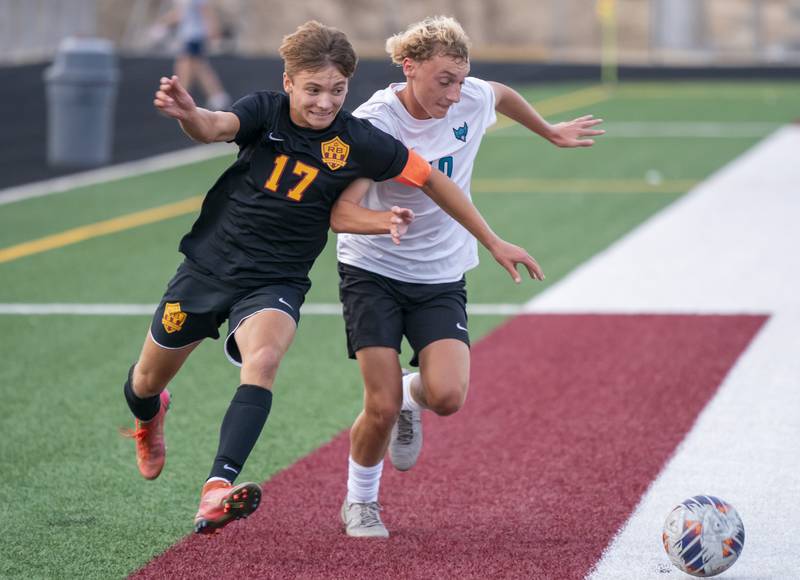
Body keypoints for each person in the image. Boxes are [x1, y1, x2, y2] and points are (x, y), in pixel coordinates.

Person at [121, 20, 485, 535]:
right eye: (313, 89)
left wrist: (490, 240)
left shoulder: (359, 139)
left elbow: (431, 179)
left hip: (276, 281)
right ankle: (149, 412)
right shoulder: (263, 110)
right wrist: (190, 115)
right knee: (145, 381)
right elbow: (214, 125)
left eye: (337, 91)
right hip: (207, 268)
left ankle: (216, 488)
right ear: (289, 81)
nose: (324, 102)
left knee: (264, 358)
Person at [334, 15, 604, 538]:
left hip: (441, 271)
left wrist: (548, 131)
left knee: (449, 396)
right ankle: (360, 502)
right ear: (409, 68)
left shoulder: (470, 96)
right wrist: (381, 222)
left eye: (460, 80)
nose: (456, 95)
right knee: (379, 403)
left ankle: (413, 398)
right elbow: (342, 210)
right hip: (374, 270)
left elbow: (498, 94)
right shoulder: (375, 124)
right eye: (443, 81)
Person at [156, 0, 231, 110]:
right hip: (189, 37)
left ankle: (180, 98)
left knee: (186, 66)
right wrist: (163, 24)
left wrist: (213, 32)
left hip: (194, 37)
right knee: (196, 67)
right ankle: (217, 96)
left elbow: (206, 12)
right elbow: (180, 14)